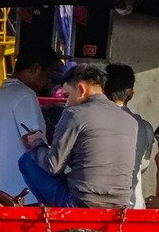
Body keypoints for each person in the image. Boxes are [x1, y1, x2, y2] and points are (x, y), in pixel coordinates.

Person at [18, 64, 148, 209]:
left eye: (67, 96)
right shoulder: (130, 121)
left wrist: (38, 142)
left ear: (81, 89)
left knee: (27, 160)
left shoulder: (74, 114)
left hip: (82, 203)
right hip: (120, 204)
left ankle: (51, 214)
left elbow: (53, 165)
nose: (66, 103)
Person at [0, 48, 54, 199]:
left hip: (4, 193)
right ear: (36, 69)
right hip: (29, 192)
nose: (47, 82)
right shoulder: (25, 96)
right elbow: (32, 142)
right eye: (47, 75)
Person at [101, 64, 156, 206]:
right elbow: (144, 165)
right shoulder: (144, 127)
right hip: (133, 205)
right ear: (131, 92)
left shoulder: (86, 119)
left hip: (95, 205)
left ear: (101, 89)